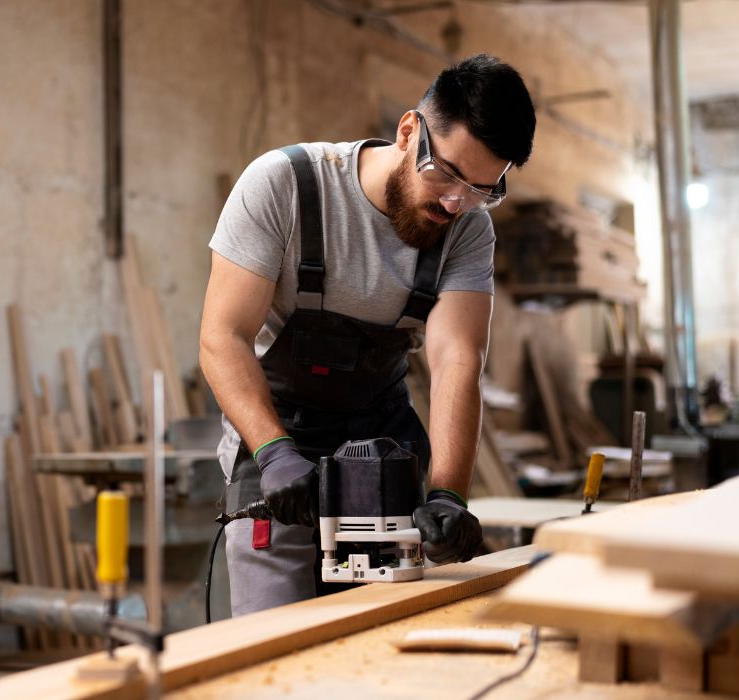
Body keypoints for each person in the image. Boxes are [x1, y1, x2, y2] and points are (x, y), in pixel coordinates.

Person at [200, 54, 536, 617]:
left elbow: (458, 360)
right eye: (447, 174)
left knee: (384, 635)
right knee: (270, 638)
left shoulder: (468, 229)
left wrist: (448, 493)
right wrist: (275, 453)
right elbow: (223, 337)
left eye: (482, 189)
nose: (456, 203)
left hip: (381, 450)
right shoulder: (286, 185)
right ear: (409, 131)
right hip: (276, 440)